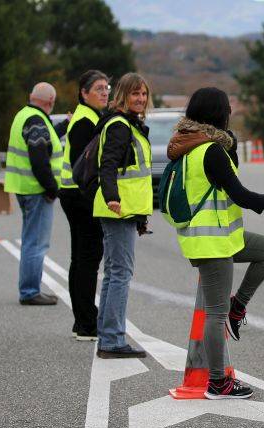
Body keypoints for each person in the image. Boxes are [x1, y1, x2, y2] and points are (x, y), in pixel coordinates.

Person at [167, 87, 264, 399]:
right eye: (227, 108)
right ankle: (218, 382)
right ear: (219, 113)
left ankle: (239, 305)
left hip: (220, 237)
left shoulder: (195, 146)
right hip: (212, 242)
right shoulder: (209, 150)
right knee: (214, 314)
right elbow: (239, 194)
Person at [93, 73, 154, 359]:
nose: (140, 99)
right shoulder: (119, 126)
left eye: (143, 94)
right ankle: (113, 339)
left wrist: (140, 217)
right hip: (117, 209)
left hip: (126, 210)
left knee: (114, 273)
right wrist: (112, 198)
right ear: (123, 96)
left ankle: (108, 335)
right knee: (120, 273)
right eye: (134, 94)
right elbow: (108, 166)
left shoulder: (130, 124)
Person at [4, 82, 69, 305]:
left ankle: (29, 288)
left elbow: (45, 140)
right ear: (51, 102)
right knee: (36, 243)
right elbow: (40, 158)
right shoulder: (36, 121)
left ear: (32, 97)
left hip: (24, 187)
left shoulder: (25, 115)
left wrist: (65, 125)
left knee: (30, 240)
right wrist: (52, 188)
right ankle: (30, 291)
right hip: (37, 189)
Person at [59, 70, 110, 341]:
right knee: (87, 259)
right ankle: (87, 323)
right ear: (84, 92)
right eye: (99, 88)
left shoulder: (89, 117)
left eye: (107, 88)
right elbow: (85, 167)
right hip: (79, 196)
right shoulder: (84, 121)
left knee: (81, 258)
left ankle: (83, 321)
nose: (105, 92)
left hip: (73, 194)